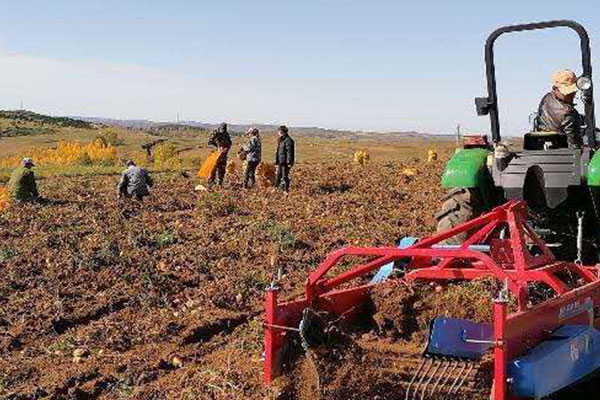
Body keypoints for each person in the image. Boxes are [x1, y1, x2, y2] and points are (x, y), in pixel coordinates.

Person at [537, 69, 583, 149]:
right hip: (562, 150)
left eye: (573, 91)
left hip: (544, 143)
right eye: (567, 92)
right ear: (555, 88)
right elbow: (575, 146)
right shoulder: (569, 113)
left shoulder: (547, 98)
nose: (571, 94)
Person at [274, 125, 295, 193]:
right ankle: (276, 188)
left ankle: (286, 190)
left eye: (279, 132)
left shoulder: (288, 140)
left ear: (282, 132)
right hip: (281, 161)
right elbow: (278, 151)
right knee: (278, 175)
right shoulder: (281, 140)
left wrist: (289, 162)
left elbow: (290, 152)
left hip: (286, 162)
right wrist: (277, 161)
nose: (278, 133)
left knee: (285, 176)